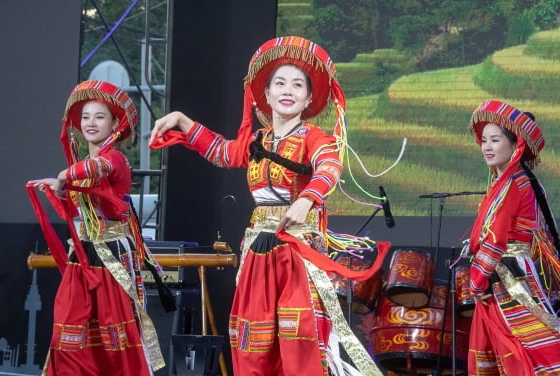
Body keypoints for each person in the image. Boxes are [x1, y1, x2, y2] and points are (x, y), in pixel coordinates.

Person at [149, 36, 389, 376]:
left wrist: (306, 199)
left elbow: (329, 168)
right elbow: (222, 151)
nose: (288, 90)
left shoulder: (313, 138)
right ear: (266, 94)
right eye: (280, 83)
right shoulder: (256, 142)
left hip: (298, 251)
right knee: (253, 338)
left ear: (308, 98)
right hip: (259, 250)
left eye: (297, 85)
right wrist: (181, 121)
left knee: (298, 336)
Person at [27, 80, 173, 376]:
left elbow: (97, 170)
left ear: (116, 124)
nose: (91, 123)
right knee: (69, 333)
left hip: (111, 257)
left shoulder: (113, 159)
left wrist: (65, 176)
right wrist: (59, 190)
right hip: (83, 258)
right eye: (85, 117)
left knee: (113, 337)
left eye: (99, 116)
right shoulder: (82, 165)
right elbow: (78, 209)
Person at [462, 99, 560, 375]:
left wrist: (475, 281)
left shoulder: (513, 184)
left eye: (495, 140)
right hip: (510, 274)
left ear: (516, 145)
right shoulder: (520, 181)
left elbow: (497, 239)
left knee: (528, 346)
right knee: (512, 345)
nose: (487, 147)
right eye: (484, 140)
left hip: (508, 277)